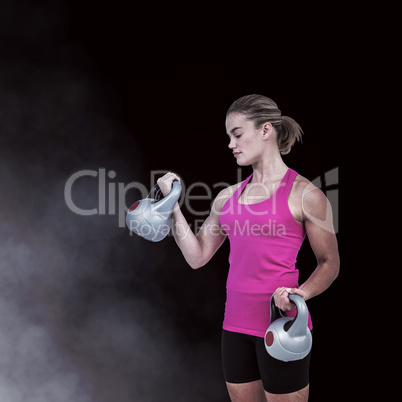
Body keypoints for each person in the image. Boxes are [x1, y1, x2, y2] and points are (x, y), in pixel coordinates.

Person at [156, 94, 340, 402]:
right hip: (235, 329)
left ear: (266, 130)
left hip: (283, 326)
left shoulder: (306, 194)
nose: (230, 144)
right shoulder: (227, 197)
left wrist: (301, 294)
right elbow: (197, 257)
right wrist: (172, 208)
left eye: (237, 134)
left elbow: (329, 262)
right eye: (229, 136)